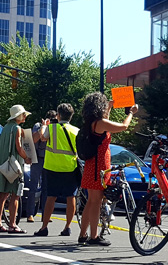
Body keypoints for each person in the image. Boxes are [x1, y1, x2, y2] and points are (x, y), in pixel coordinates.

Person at [77, 93, 136, 246]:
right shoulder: (100, 123)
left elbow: (106, 122)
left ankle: (83, 234)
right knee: (96, 202)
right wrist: (131, 113)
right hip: (99, 166)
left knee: (90, 202)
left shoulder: (92, 123)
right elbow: (124, 126)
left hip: (92, 164)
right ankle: (94, 236)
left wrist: (109, 106)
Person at [36, 105, 80, 237]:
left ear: (58, 115)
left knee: (51, 197)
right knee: (70, 197)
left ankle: (44, 227)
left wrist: (44, 125)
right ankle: (67, 227)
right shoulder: (76, 130)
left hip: (52, 167)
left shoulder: (51, 128)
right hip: (70, 167)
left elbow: (43, 137)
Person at [0, 105, 29, 234]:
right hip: (14, 165)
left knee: (2, 195)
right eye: (23, 114)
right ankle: (12, 225)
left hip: (3, 165)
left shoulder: (6, 128)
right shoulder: (17, 129)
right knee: (15, 195)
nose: (25, 117)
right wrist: (27, 157)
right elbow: (19, 148)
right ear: (19, 116)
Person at [24, 110, 52, 219]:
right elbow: (35, 139)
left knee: (46, 189)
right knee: (33, 187)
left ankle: (45, 215)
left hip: (49, 159)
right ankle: (30, 213)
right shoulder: (38, 125)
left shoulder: (56, 129)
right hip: (37, 159)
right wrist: (43, 127)